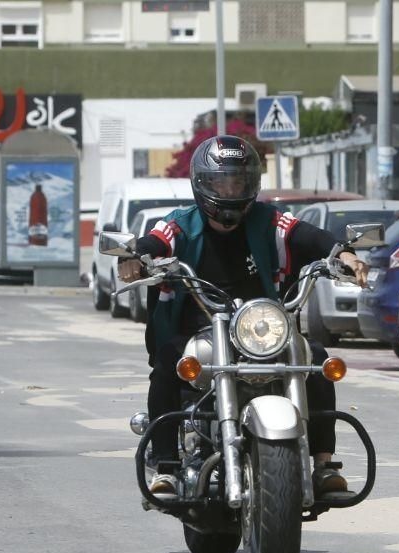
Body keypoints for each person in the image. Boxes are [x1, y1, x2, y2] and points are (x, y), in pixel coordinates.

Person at [119, 135, 368, 498]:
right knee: (169, 363)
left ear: (251, 183)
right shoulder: (181, 224)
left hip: (262, 329)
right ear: (203, 184)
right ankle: (168, 466)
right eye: (221, 182)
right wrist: (134, 257)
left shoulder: (269, 222)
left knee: (314, 359)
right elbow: (155, 241)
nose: (229, 190)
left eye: (237, 181)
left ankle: (324, 465)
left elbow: (307, 235)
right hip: (199, 329)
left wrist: (342, 255)